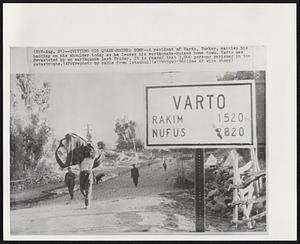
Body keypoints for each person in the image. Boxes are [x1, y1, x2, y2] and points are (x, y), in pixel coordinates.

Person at [79, 144, 96, 209]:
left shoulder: (92, 158)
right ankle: (88, 197)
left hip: (88, 173)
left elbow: (95, 152)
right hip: (82, 173)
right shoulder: (81, 159)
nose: (89, 152)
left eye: (90, 151)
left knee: (87, 189)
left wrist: (90, 145)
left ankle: (87, 204)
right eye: (88, 151)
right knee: (81, 189)